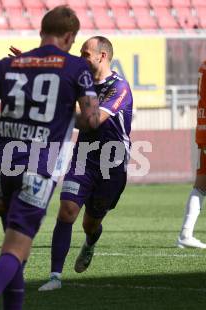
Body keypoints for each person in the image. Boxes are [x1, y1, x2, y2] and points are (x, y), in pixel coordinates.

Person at [0, 6, 100, 309]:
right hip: (39, 164)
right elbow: (90, 119)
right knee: (16, 249)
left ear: (41, 31)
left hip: (5, 164)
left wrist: (12, 128)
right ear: (70, 36)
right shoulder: (77, 68)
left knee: (15, 249)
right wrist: (61, 114)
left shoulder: (9, 64)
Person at [38, 36, 133, 291]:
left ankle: (91, 240)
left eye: (85, 53)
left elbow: (93, 121)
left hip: (111, 163)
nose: (80, 58)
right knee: (67, 210)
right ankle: (55, 277)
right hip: (84, 157)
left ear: (102, 56)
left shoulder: (119, 87)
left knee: (90, 223)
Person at [177, 60, 206, 249]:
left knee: (201, 185)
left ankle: (186, 233)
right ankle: (185, 234)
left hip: (202, 129)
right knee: (201, 185)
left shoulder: (204, 65)